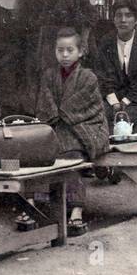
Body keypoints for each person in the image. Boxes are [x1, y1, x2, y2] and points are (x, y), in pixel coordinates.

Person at [33, 27, 109, 237]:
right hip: (57, 127)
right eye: (60, 50)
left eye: (69, 50)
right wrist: (57, 116)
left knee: (70, 157)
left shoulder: (88, 77)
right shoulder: (49, 75)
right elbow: (45, 105)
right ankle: (40, 206)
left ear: (81, 51)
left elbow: (89, 107)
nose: (65, 55)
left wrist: (62, 113)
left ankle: (76, 209)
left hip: (83, 129)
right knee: (41, 157)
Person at [31, 0, 96, 86]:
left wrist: (84, 41)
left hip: (71, 41)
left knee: (71, 80)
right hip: (49, 43)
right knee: (49, 81)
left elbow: (90, 18)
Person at [95, 0, 137, 128]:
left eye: (128, 16)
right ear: (113, 19)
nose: (123, 20)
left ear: (136, 20)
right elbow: (102, 76)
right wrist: (113, 102)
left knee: (126, 117)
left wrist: (126, 101)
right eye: (119, 15)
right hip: (112, 99)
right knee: (99, 115)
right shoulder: (106, 42)